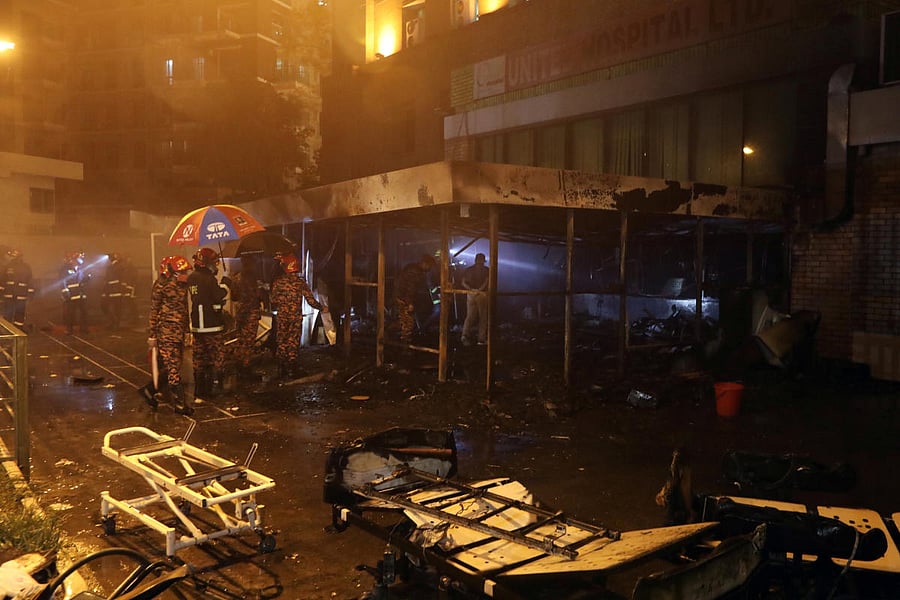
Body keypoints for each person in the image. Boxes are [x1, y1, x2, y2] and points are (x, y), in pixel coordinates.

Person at [144, 256, 192, 414]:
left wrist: (187, 331)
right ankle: (180, 405)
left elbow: (185, 310)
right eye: (182, 271)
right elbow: (154, 309)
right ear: (173, 272)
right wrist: (152, 334)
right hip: (166, 333)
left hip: (178, 332)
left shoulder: (183, 286)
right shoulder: (161, 285)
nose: (185, 274)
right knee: (173, 370)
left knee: (174, 366)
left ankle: (149, 391)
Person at [270, 252, 326, 379]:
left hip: (282, 317)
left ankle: (282, 368)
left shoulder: (278, 282)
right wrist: (322, 308)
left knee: (282, 341)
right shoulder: (299, 283)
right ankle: (292, 367)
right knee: (293, 341)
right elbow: (310, 300)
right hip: (295, 318)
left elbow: (273, 300)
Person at [186, 247, 228, 397]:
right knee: (217, 355)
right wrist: (225, 284)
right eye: (214, 263)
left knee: (199, 357)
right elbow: (217, 296)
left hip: (197, 325)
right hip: (212, 325)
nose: (216, 266)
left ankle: (200, 389)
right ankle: (219, 387)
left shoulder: (191, 278)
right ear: (207, 263)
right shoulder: (209, 279)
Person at [230, 255, 263, 379]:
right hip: (251, 313)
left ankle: (239, 366)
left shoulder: (236, 278)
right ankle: (245, 368)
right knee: (248, 341)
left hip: (240, 313)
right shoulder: (252, 279)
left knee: (241, 340)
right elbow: (256, 297)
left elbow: (234, 297)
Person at [394, 254, 436, 345]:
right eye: (429, 266)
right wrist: (410, 303)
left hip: (401, 297)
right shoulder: (415, 272)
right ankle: (405, 347)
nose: (429, 269)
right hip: (404, 299)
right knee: (407, 323)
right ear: (425, 263)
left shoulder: (412, 268)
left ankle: (394, 337)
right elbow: (411, 288)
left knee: (403, 320)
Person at [1, 249, 34, 330]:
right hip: (20, 295)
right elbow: (30, 282)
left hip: (11, 295)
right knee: (18, 314)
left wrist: (1, 293)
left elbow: (2, 281)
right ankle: (18, 329)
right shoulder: (25, 267)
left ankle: (9, 331)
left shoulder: (8, 266)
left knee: (9, 313)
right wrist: (30, 294)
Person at [461, 252, 489, 346]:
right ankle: (481, 339)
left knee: (469, 316)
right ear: (483, 261)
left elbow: (463, 283)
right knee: (483, 317)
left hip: (470, 294)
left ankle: (464, 336)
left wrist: (472, 290)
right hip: (482, 295)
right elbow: (487, 281)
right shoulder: (486, 270)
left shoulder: (468, 270)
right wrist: (479, 290)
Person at [60, 251, 89, 335]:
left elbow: (82, 281)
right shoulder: (66, 269)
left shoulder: (80, 270)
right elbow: (63, 281)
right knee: (70, 313)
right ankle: (69, 329)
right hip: (71, 295)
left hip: (80, 294)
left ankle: (83, 328)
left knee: (84, 312)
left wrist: (87, 278)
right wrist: (66, 292)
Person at [102, 252, 130, 331]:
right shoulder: (115, 267)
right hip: (114, 291)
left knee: (115, 309)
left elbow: (109, 280)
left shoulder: (117, 267)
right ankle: (114, 323)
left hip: (114, 291)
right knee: (113, 308)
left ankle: (115, 324)